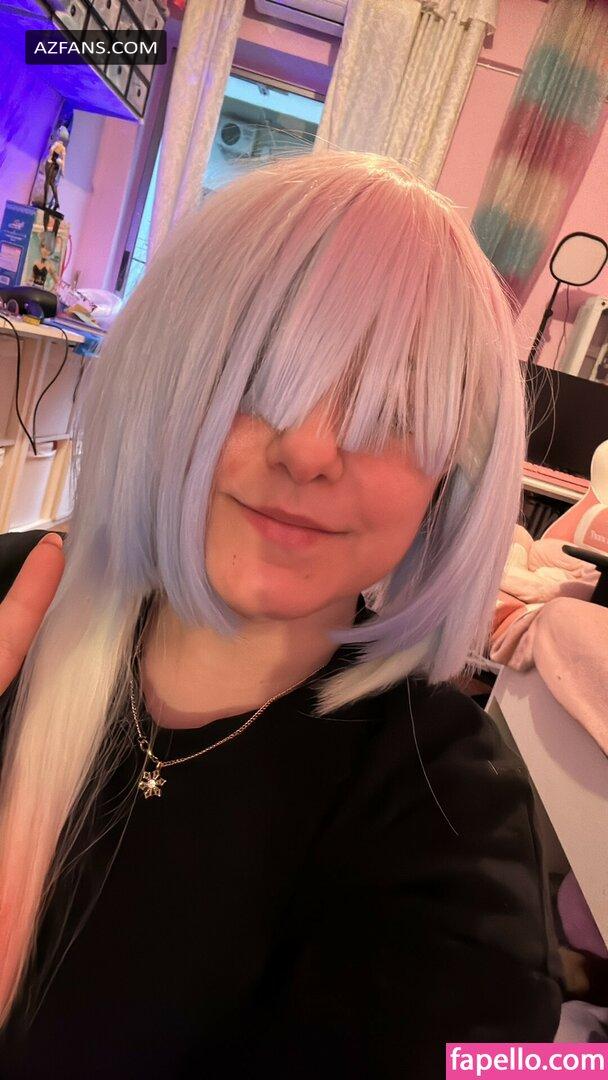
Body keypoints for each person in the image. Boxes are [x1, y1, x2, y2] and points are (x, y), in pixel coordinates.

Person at [0, 150, 563, 1078]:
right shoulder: (17, 603)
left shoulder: (450, 822)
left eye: (390, 404)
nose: (309, 451)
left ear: (451, 470)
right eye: (258, 374)